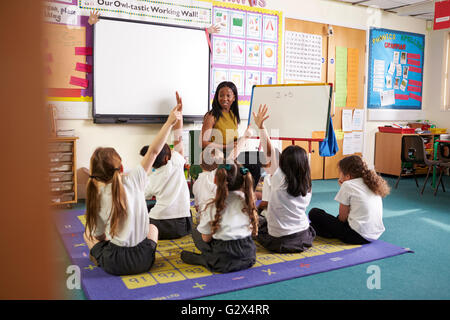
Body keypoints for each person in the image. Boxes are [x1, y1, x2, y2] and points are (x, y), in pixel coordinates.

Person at [83, 93, 182, 276]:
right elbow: (153, 152)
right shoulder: (135, 178)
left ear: (95, 176)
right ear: (121, 168)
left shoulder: (98, 197)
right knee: (153, 228)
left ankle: (100, 258)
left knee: (88, 233)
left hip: (116, 263)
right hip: (144, 259)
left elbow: (98, 236)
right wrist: (170, 122)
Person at [253, 104, 316, 253]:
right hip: (303, 235)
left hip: (279, 240)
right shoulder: (307, 182)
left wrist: (261, 127)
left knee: (254, 223)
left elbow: (269, 151)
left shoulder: (279, 179)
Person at [180, 161, 258, 273]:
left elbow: (206, 238)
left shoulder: (212, 205)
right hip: (248, 254)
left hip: (223, 258)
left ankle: (205, 259)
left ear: (216, 180)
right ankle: (206, 258)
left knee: (195, 231)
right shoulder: (248, 200)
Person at [142, 93, 192, 240]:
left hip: (159, 225)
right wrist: (179, 114)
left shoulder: (151, 178)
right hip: (183, 226)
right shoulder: (176, 162)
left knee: (146, 209)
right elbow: (178, 138)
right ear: (166, 157)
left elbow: (141, 196)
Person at [309, 155, 389, 244]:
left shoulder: (348, 186)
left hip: (355, 236)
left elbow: (342, 218)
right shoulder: (371, 182)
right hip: (374, 235)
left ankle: (327, 232)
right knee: (325, 224)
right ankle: (328, 232)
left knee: (314, 213)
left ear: (347, 176)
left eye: (340, 173)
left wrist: (343, 187)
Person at [201, 81, 241, 153]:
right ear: (217, 97)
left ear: (234, 98)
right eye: (221, 95)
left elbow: (233, 140)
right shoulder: (211, 116)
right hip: (215, 155)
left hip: (232, 154)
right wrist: (227, 147)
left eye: (228, 96)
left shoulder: (234, 116)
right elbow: (203, 143)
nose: (224, 98)